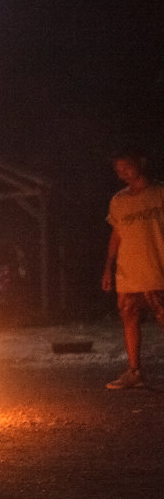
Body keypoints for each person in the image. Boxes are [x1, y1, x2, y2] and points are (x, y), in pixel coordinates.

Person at [100, 148, 164, 389]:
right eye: (118, 171)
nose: (122, 173)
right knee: (129, 318)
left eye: (126, 167)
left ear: (140, 163)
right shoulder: (118, 201)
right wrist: (108, 268)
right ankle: (134, 371)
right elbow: (116, 236)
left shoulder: (160, 193)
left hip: (158, 270)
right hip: (129, 274)